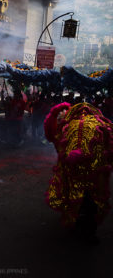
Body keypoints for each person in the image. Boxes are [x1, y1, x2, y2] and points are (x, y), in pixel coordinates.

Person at [44, 102, 113, 243]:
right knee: (91, 200)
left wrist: (55, 112)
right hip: (93, 171)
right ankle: (87, 230)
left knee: (77, 198)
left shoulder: (69, 125)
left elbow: (53, 138)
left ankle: (77, 224)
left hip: (74, 170)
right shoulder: (99, 124)